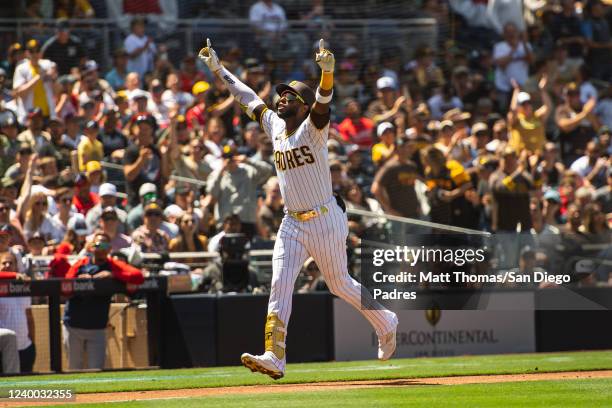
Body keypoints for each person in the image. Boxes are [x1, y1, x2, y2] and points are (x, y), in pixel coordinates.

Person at [199, 38, 398, 380]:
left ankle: (385, 320)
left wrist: (327, 74)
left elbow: (323, 102)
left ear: (302, 106)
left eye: (290, 96)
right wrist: (219, 69)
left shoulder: (313, 128)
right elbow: (247, 98)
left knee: (339, 284)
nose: (282, 98)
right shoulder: (275, 126)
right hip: (291, 222)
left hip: (324, 218)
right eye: (281, 94)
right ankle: (275, 355)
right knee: (279, 283)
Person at [63, 232, 144, 370]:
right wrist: (78, 281)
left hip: (97, 328)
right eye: (98, 244)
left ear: (109, 248)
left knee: (96, 370)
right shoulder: (81, 264)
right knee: (74, 369)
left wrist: (113, 275)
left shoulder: (113, 265)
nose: (101, 248)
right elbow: (64, 287)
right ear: (91, 247)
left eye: (105, 244)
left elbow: (138, 276)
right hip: (73, 325)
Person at [0, 252, 35, 373]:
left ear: (16, 266)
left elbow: (29, 317)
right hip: (3, 349)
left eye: (11, 263)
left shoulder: (23, 286)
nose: (7, 265)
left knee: (24, 388)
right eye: (4, 263)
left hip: (25, 347)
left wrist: (32, 344)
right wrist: (14, 275)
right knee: (6, 388)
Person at [12, 39, 56, 122]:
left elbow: (57, 90)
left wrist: (53, 78)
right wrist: (38, 77)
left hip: (47, 115)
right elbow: (19, 93)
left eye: (37, 51)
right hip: (30, 117)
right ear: (27, 53)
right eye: (32, 51)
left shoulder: (48, 65)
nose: (35, 54)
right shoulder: (21, 68)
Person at [508, 76, 552, 154]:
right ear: (519, 106)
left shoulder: (537, 116)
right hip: (522, 157)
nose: (527, 105)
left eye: (528, 103)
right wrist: (516, 90)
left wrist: (542, 90)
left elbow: (548, 107)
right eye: (523, 104)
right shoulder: (516, 119)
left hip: (538, 155)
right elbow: (513, 110)